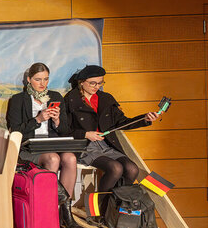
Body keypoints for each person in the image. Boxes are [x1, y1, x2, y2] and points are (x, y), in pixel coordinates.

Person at [65, 65, 161, 203]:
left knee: (132, 169)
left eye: (100, 83)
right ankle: (99, 208)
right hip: (85, 146)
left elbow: (122, 122)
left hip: (107, 144)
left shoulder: (106, 99)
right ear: (81, 82)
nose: (97, 86)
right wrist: (85, 134)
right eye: (93, 83)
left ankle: (116, 207)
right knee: (115, 168)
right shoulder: (71, 100)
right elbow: (64, 130)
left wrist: (144, 119)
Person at [6, 63, 81, 228]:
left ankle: (65, 212)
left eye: (46, 79)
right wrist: (38, 120)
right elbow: (16, 131)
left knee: (70, 158)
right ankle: (47, 212)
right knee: (53, 159)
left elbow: (65, 131)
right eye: (38, 79)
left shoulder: (55, 97)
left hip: (52, 143)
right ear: (29, 80)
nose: (42, 83)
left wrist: (57, 121)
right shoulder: (18, 100)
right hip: (29, 147)